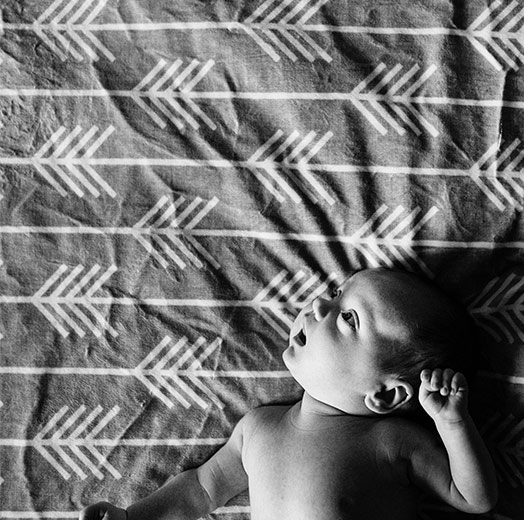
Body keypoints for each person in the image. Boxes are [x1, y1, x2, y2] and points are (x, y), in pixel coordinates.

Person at [79, 268, 498, 520]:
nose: (318, 306)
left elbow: (474, 499)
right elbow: (200, 490)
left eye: (349, 319)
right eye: (336, 294)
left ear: (386, 395)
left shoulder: (391, 442)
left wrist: (453, 424)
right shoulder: (258, 428)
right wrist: (131, 516)